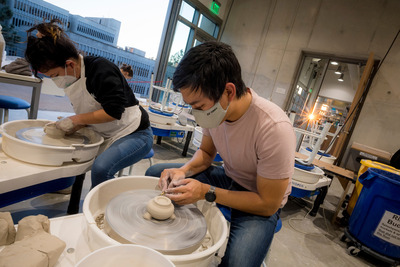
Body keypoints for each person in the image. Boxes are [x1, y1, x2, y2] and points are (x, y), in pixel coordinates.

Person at [145, 41, 296, 267]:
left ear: (228, 91)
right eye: (191, 106)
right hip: (229, 178)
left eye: (199, 106)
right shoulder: (214, 112)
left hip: (259, 197)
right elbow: (206, 154)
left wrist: (207, 191)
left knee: (238, 263)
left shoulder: (274, 128)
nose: (196, 114)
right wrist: (182, 171)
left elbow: (268, 204)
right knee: (157, 173)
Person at [25, 20, 153, 188]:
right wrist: (74, 124)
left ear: (69, 64)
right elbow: (91, 111)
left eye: (55, 74)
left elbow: (113, 112)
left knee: (101, 168)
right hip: (104, 131)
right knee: (63, 148)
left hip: (135, 132)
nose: (54, 79)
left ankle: (100, 212)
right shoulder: (73, 77)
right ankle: (63, 186)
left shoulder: (101, 70)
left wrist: (76, 120)